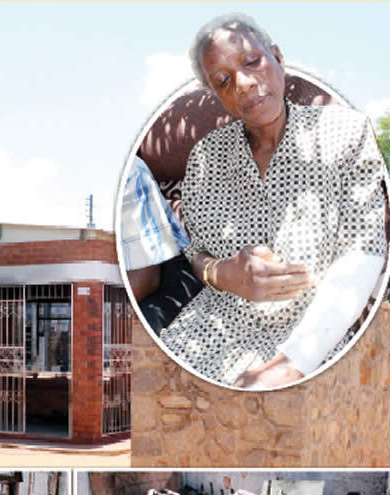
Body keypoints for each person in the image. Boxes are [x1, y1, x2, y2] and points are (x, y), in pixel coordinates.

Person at [159, 13, 388, 389]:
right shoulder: (205, 156)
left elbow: (364, 250)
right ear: (216, 95)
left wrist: (294, 361)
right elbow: (194, 252)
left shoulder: (345, 132)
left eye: (252, 62)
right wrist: (222, 274)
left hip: (312, 332)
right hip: (212, 330)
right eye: (223, 80)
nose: (245, 84)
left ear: (277, 58)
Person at [120, 155, 201, 334]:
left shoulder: (129, 172)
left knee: (137, 328)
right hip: (127, 277)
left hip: (166, 274)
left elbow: (146, 279)